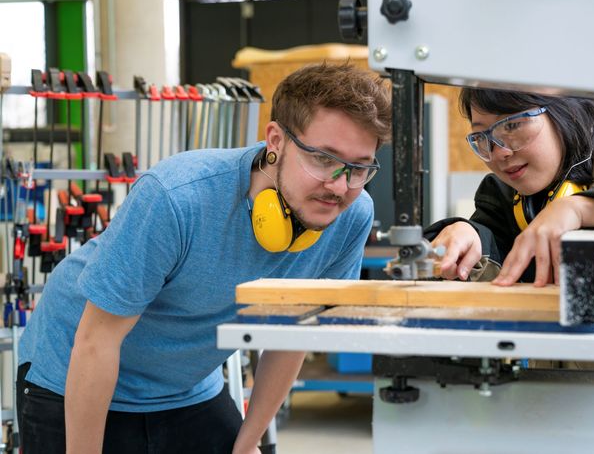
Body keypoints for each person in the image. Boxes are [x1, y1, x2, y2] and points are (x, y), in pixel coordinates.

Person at [17, 62, 391, 454]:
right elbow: (97, 340)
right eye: (323, 158)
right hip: (71, 371)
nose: (339, 185)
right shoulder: (178, 197)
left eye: (359, 167)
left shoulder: (352, 216)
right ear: (275, 141)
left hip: (187, 389)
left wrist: (247, 443)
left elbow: (292, 335)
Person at [426, 87, 594, 331]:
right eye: (483, 136)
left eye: (513, 125)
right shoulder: (501, 196)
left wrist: (587, 209)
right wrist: (469, 234)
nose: (500, 152)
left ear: (567, 114)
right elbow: (491, 252)